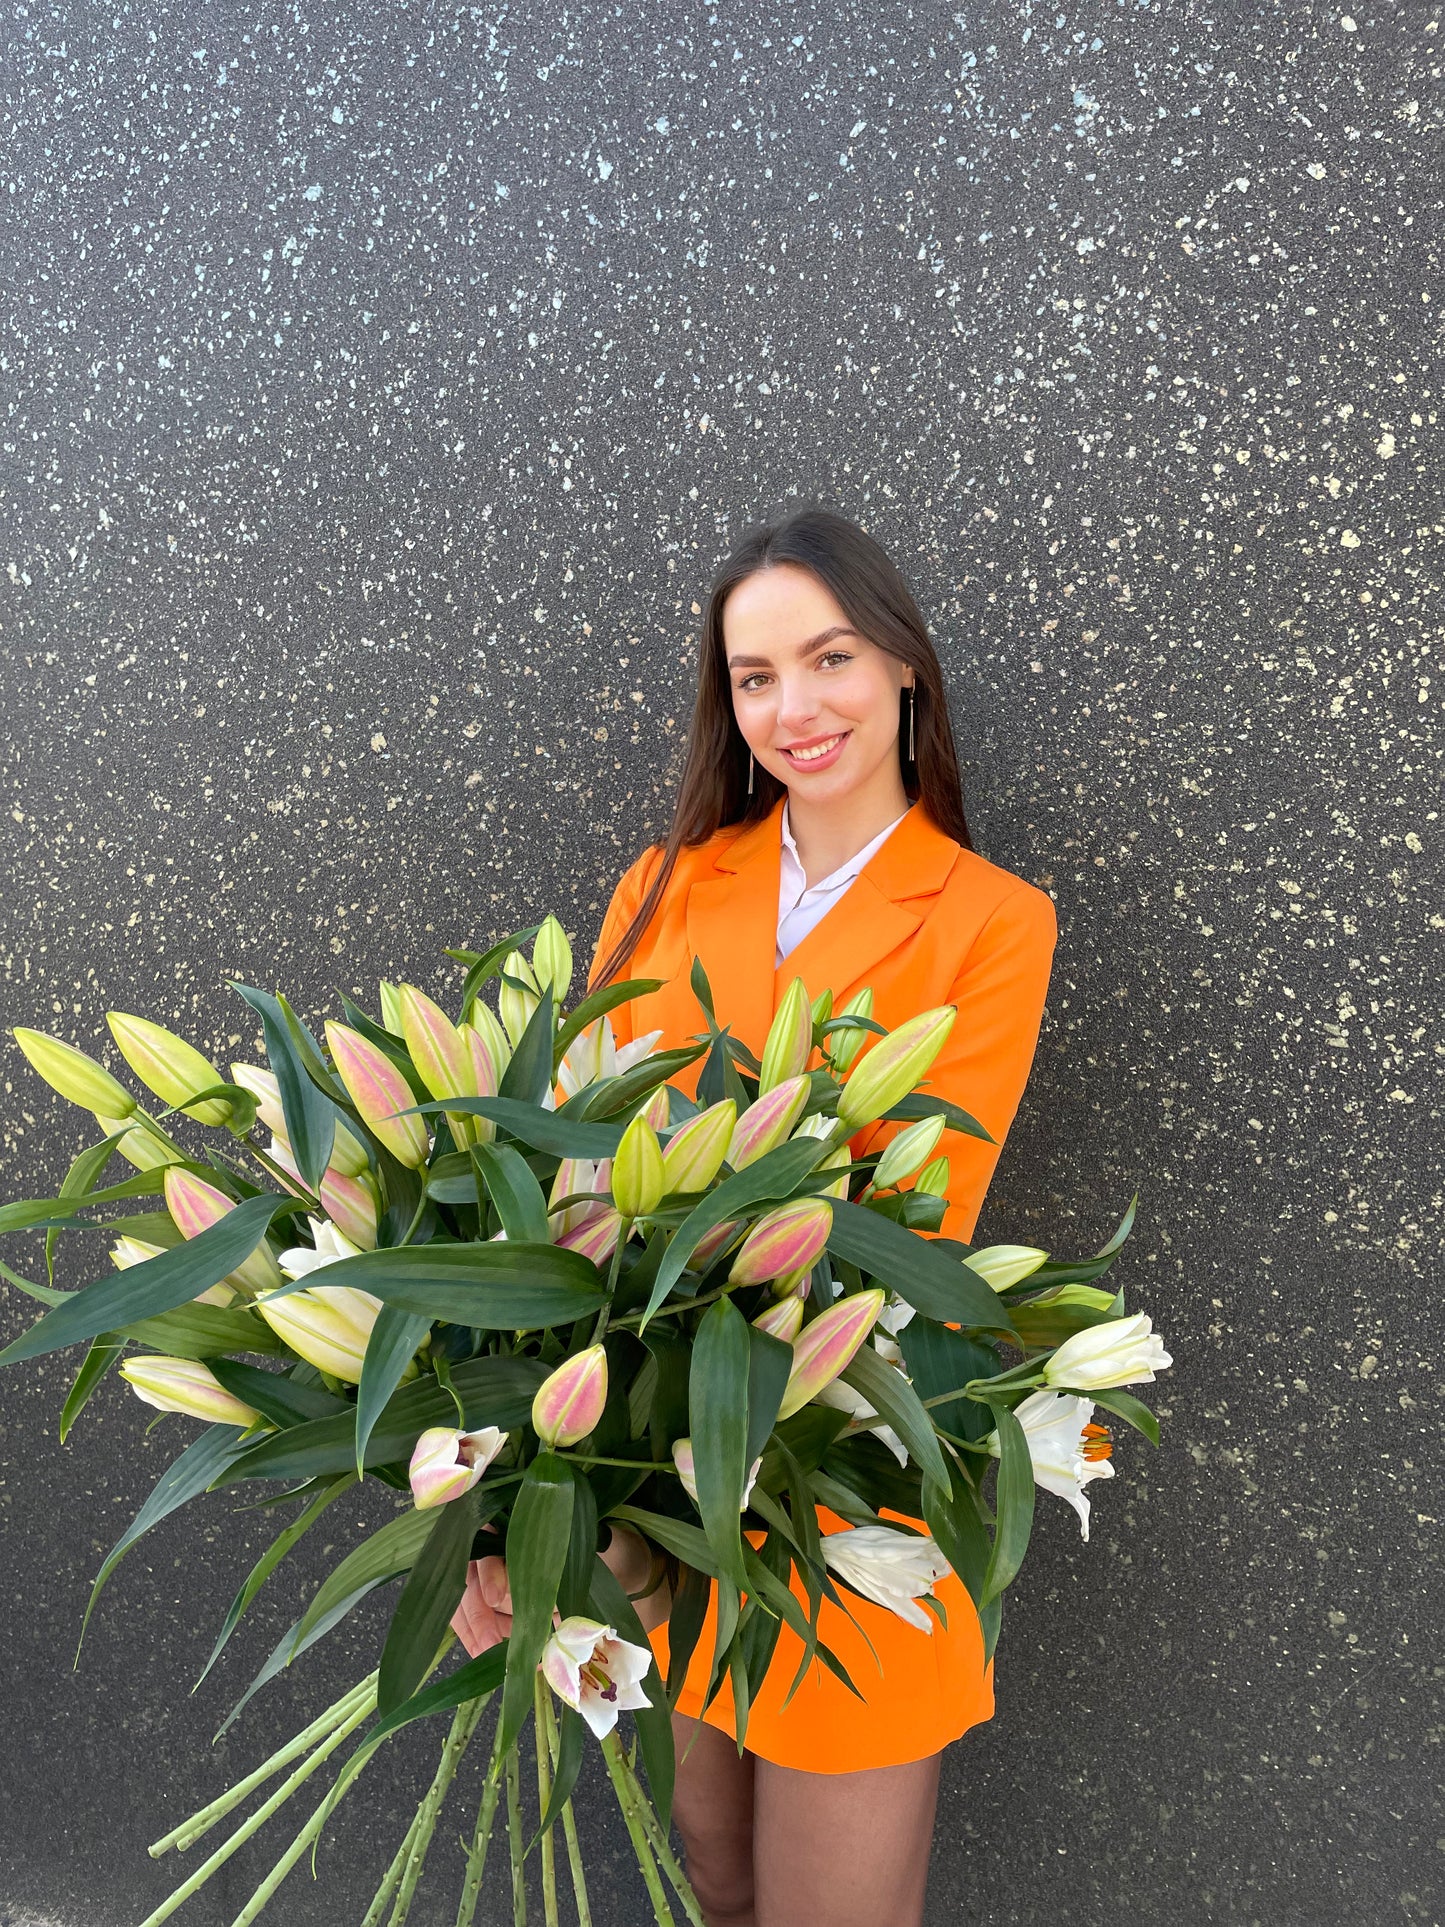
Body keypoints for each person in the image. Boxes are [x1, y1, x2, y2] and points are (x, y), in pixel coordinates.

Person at [452, 505, 1058, 1927]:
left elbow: (909, 1211)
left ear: (904, 667)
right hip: (652, 1496)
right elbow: (569, 1186)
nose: (795, 707)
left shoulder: (988, 919)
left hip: (839, 1483)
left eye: (829, 657)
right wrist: (512, 1503)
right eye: (754, 675)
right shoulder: (661, 889)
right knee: (714, 1888)